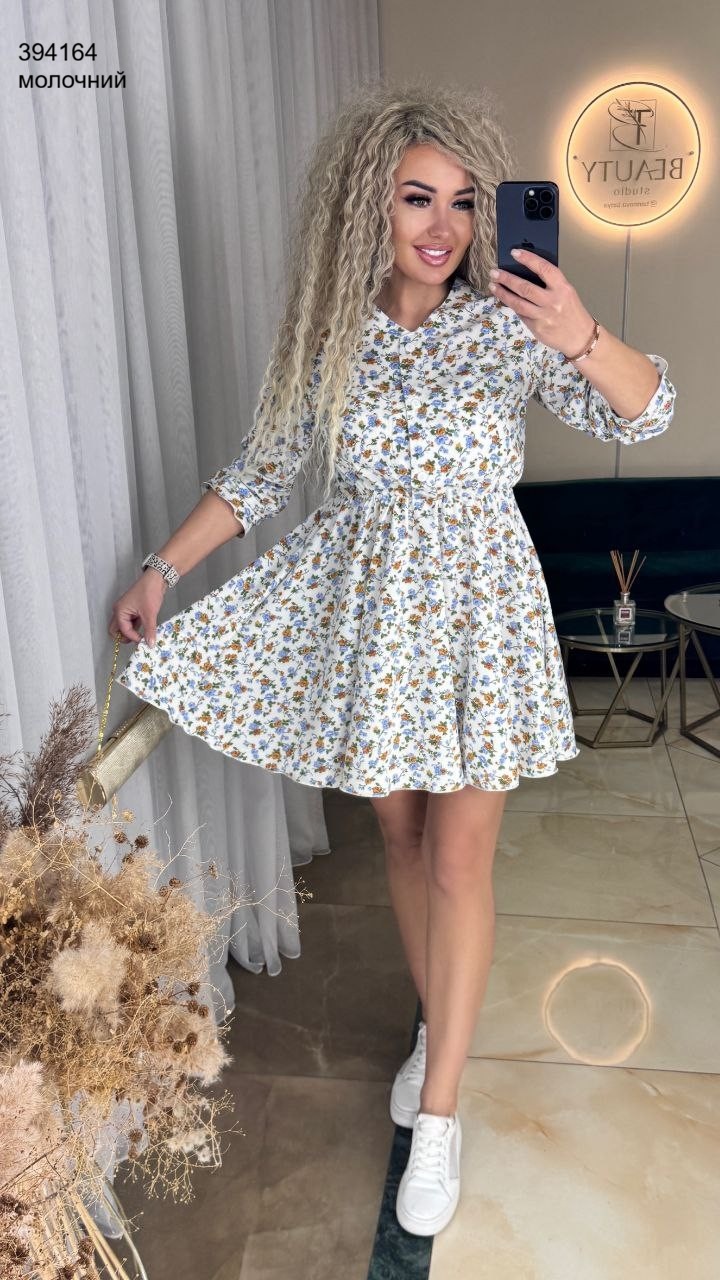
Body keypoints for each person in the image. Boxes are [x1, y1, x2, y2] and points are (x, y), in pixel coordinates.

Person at [108, 80, 676, 1237]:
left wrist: (578, 331)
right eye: (419, 197)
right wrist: (162, 567)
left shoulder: (513, 321)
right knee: (405, 840)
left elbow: (647, 410)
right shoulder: (329, 337)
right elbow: (259, 472)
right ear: (367, 203)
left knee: (462, 858)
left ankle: (443, 1108)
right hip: (374, 621)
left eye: (464, 202)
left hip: (480, 614)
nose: (444, 225)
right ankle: (438, 1023)